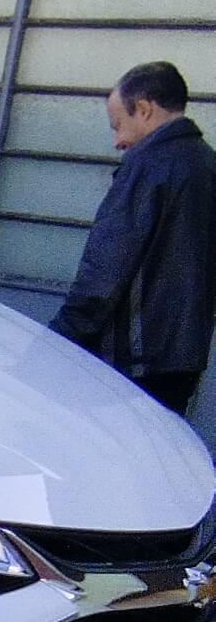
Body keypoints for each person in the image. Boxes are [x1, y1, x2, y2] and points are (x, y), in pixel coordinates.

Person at [52, 61, 216, 417]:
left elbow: (104, 272)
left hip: (130, 361)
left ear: (143, 109)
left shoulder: (147, 167)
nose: (118, 142)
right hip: (185, 358)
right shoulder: (207, 163)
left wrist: (57, 339)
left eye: (118, 125)